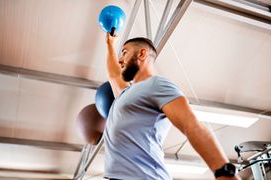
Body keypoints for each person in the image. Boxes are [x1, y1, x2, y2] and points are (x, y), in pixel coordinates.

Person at [103, 33, 240, 180]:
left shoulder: (156, 85)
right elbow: (114, 75)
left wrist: (224, 172)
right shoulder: (125, 93)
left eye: (124, 53)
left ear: (142, 53)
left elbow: (191, 125)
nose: (120, 60)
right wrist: (110, 44)